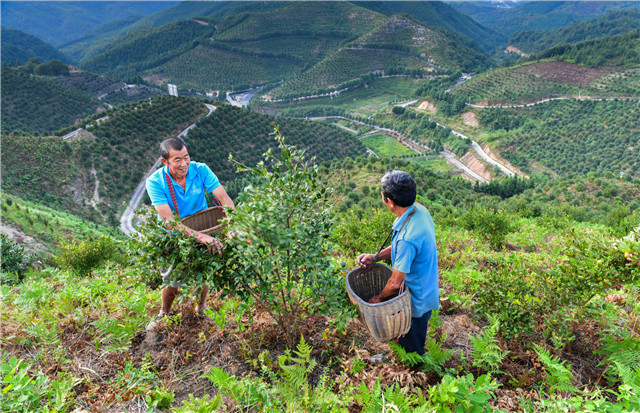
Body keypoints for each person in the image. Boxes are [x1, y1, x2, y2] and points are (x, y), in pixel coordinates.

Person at [145, 137, 235, 323]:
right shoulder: (155, 182)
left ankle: (201, 307)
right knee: (172, 279)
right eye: (177, 159)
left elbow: (224, 199)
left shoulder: (200, 170)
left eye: (186, 157)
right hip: (172, 235)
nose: (184, 163)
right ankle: (165, 312)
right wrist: (201, 237)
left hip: (202, 227)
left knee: (203, 271)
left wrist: (233, 223)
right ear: (165, 161)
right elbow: (169, 221)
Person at [357, 170, 438, 357]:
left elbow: (394, 283)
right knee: (407, 338)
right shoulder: (418, 211)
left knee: (412, 349)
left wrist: (379, 299)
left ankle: (416, 375)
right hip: (426, 286)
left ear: (389, 202)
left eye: (382, 195)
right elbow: (402, 249)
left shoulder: (407, 238)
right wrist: (376, 257)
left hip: (416, 300)